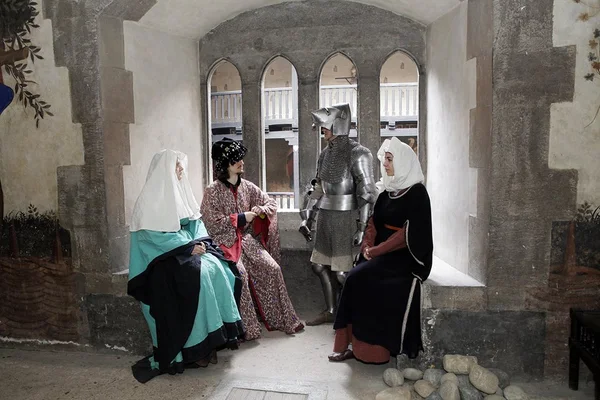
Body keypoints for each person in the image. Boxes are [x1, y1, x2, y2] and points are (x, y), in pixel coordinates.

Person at [127, 149, 245, 383]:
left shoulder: (179, 194)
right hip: (159, 260)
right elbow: (150, 238)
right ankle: (194, 349)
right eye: (177, 167)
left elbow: (195, 224)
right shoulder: (147, 203)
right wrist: (187, 248)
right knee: (195, 275)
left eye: (181, 167)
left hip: (184, 249)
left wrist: (198, 243)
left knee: (221, 267)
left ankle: (210, 342)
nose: (181, 171)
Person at [329, 137, 433, 364]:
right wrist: (367, 246)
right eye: (385, 159)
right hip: (379, 254)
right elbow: (373, 223)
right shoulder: (387, 192)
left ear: (403, 161)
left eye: (389, 159)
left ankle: (375, 351)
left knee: (368, 280)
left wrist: (376, 251)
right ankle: (348, 344)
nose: (384, 164)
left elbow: (406, 235)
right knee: (353, 279)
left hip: (406, 257)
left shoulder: (417, 194)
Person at [200, 138, 304, 340]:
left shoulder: (247, 187)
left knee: (272, 268)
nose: (242, 162)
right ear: (225, 164)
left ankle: (280, 319)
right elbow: (210, 222)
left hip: (247, 241)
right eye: (236, 159)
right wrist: (240, 218)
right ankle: (247, 328)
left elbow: (270, 203)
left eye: (241, 158)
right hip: (224, 243)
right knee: (240, 274)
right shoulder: (212, 191)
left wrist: (261, 210)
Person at [299, 103, 378, 326]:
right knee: (318, 266)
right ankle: (331, 311)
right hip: (325, 216)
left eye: (326, 125)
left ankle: (357, 318)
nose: (322, 129)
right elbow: (317, 188)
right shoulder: (325, 154)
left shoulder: (359, 153)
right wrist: (307, 219)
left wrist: (362, 227)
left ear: (338, 124)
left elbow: (367, 193)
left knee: (343, 274)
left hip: (346, 218)